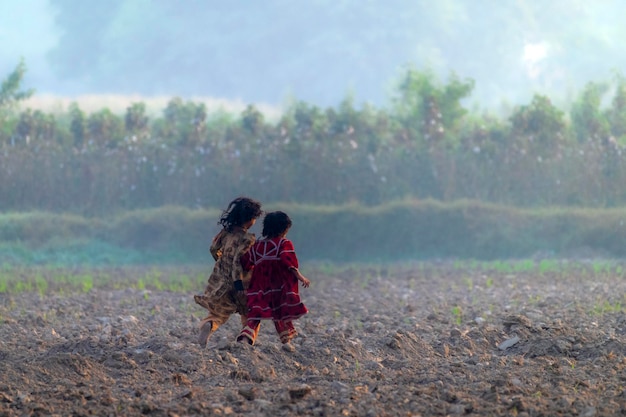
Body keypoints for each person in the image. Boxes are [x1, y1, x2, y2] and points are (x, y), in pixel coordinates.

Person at [193, 196, 263, 347]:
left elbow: (213, 249)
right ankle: (245, 340)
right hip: (242, 283)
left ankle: (210, 324)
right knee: (250, 313)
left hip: (222, 281)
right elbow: (238, 261)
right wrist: (239, 285)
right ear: (249, 219)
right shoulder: (247, 239)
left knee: (219, 312)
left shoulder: (225, 233)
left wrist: (220, 260)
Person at [237, 211, 310, 345]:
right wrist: (300, 276)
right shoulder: (284, 243)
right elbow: (288, 262)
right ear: (284, 229)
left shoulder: (257, 245)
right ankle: (286, 340)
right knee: (279, 311)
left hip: (259, 285)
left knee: (256, 312)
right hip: (278, 285)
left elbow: (246, 262)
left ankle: (245, 337)